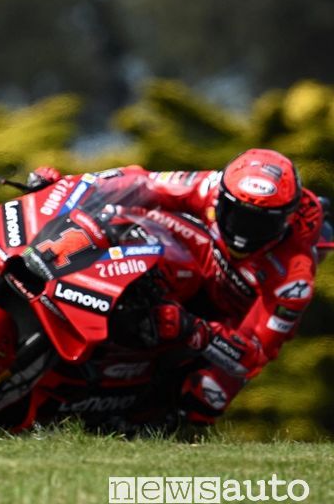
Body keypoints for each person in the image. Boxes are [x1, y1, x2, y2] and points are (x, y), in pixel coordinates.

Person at [27, 149, 328, 427]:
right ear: (222, 198)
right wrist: (65, 188)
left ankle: (136, 419)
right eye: (236, 215)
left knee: (207, 397)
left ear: (285, 221)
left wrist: (194, 330)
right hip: (198, 266)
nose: (243, 232)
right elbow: (140, 181)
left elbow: (254, 355)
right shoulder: (209, 187)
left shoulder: (294, 275)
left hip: (228, 321)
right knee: (128, 217)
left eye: (258, 224)